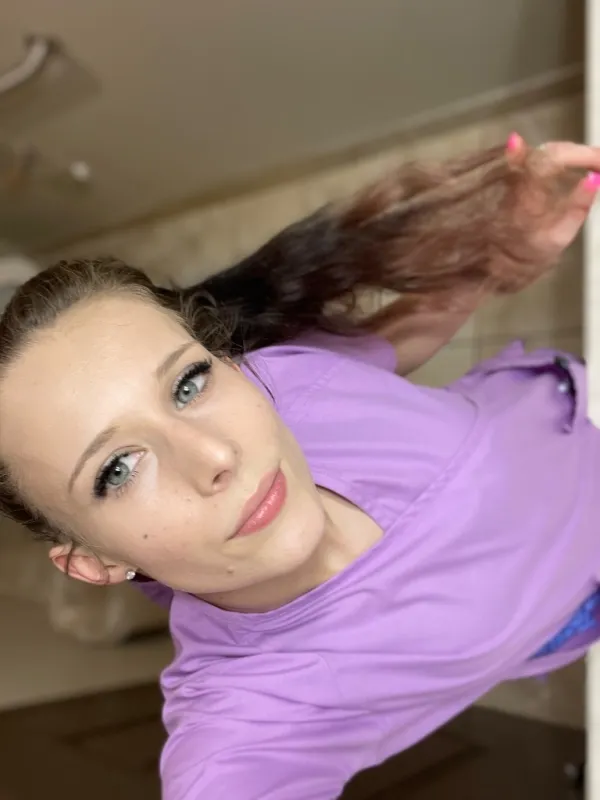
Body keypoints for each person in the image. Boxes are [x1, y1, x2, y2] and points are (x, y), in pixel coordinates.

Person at [0, 133, 599, 799]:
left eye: (189, 383)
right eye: (117, 469)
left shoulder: (272, 382)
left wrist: (501, 252)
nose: (215, 456)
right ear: (92, 562)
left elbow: (395, 340)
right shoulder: (253, 718)